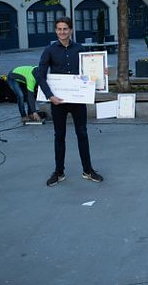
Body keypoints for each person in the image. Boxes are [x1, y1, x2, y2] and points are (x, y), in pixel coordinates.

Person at [36, 17, 103, 186]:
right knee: (59, 136)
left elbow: (89, 71)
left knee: (82, 134)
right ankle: (59, 172)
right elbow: (40, 75)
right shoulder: (49, 50)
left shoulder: (79, 49)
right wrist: (50, 96)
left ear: (71, 30)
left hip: (78, 100)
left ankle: (88, 170)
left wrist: (102, 72)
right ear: (56, 31)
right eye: (59, 29)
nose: (62, 32)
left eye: (65, 29)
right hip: (58, 101)